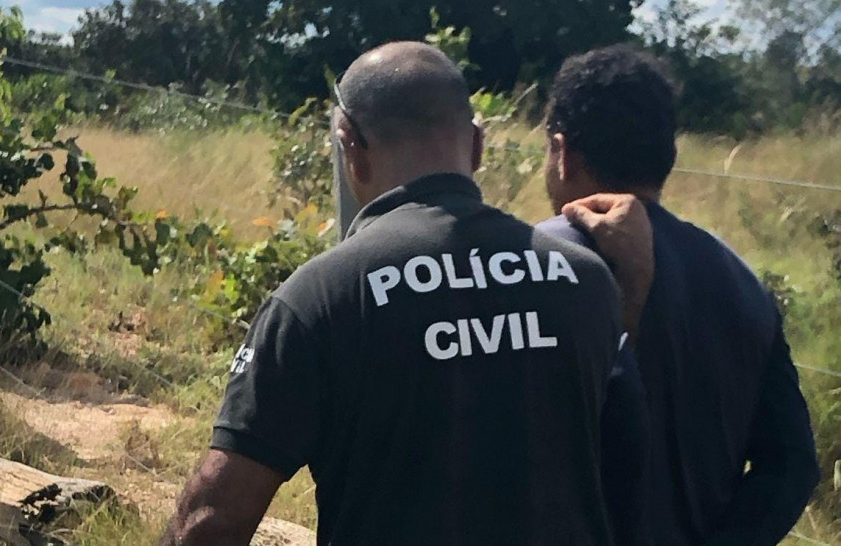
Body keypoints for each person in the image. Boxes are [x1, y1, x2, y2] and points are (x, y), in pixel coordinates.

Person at [162, 41, 642, 546]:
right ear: (477, 145)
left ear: (349, 146)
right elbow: (624, 467)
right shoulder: (588, 280)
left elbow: (214, 520)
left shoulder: (321, 298)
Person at [536, 44, 821, 546]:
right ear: (666, 156)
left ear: (562, 154)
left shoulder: (531, 264)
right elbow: (791, 464)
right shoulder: (740, 279)